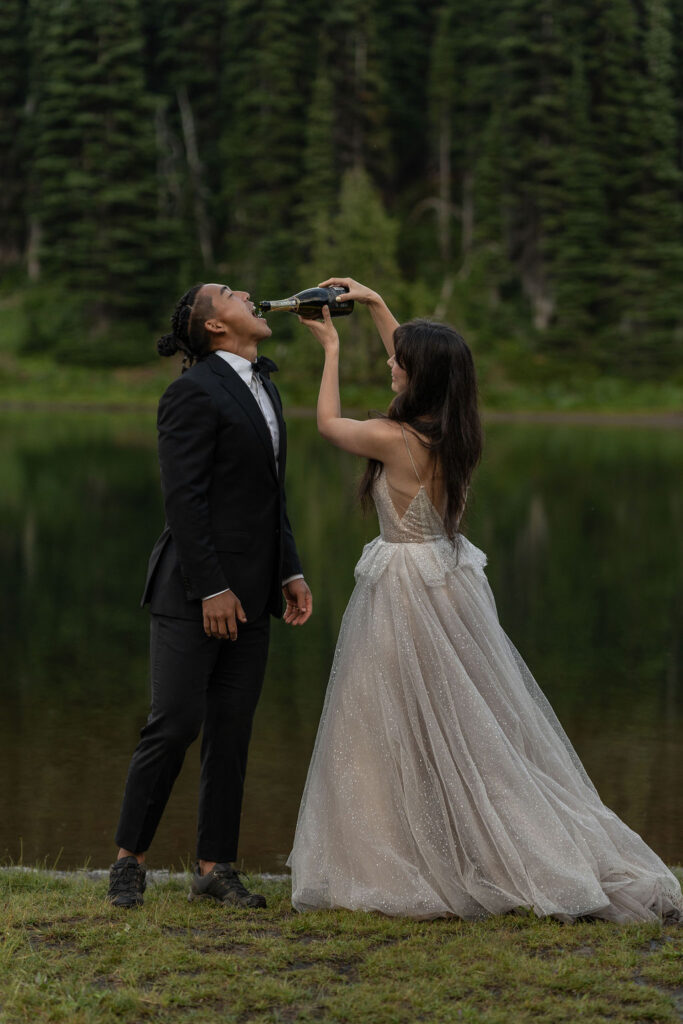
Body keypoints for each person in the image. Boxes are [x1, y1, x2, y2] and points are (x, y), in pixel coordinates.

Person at [287, 276, 683, 924]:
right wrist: (378, 305)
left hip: (408, 595)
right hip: (449, 587)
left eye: (396, 362)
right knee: (465, 727)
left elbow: (329, 425)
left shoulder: (397, 440)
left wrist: (330, 347)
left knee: (392, 723)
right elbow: (426, 366)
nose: (390, 365)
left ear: (416, 378)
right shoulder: (452, 432)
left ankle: (415, 852)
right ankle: (449, 839)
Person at [108, 283, 312, 909]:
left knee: (232, 729)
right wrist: (213, 588)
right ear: (215, 328)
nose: (247, 292)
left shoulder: (266, 388)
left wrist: (289, 570)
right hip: (193, 591)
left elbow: (268, 496)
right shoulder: (190, 393)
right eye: (228, 292)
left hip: (255, 591)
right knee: (174, 724)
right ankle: (128, 862)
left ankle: (214, 867)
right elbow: (184, 503)